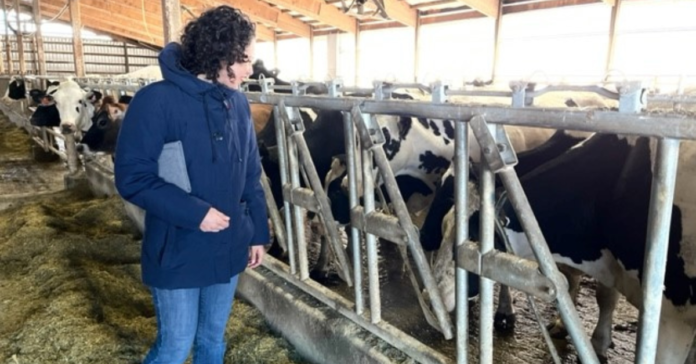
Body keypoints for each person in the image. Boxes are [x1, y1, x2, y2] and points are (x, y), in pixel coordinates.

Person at [114, 6, 269, 364]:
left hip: (230, 242)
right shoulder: (156, 101)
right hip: (178, 245)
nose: (250, 70)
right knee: (175, 345)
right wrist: (196, 213)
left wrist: (258, 232)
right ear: (218, 53)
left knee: (213, 339)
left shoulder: (238, 104)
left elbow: (250, 174)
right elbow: (133, 177)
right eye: (244, 59)